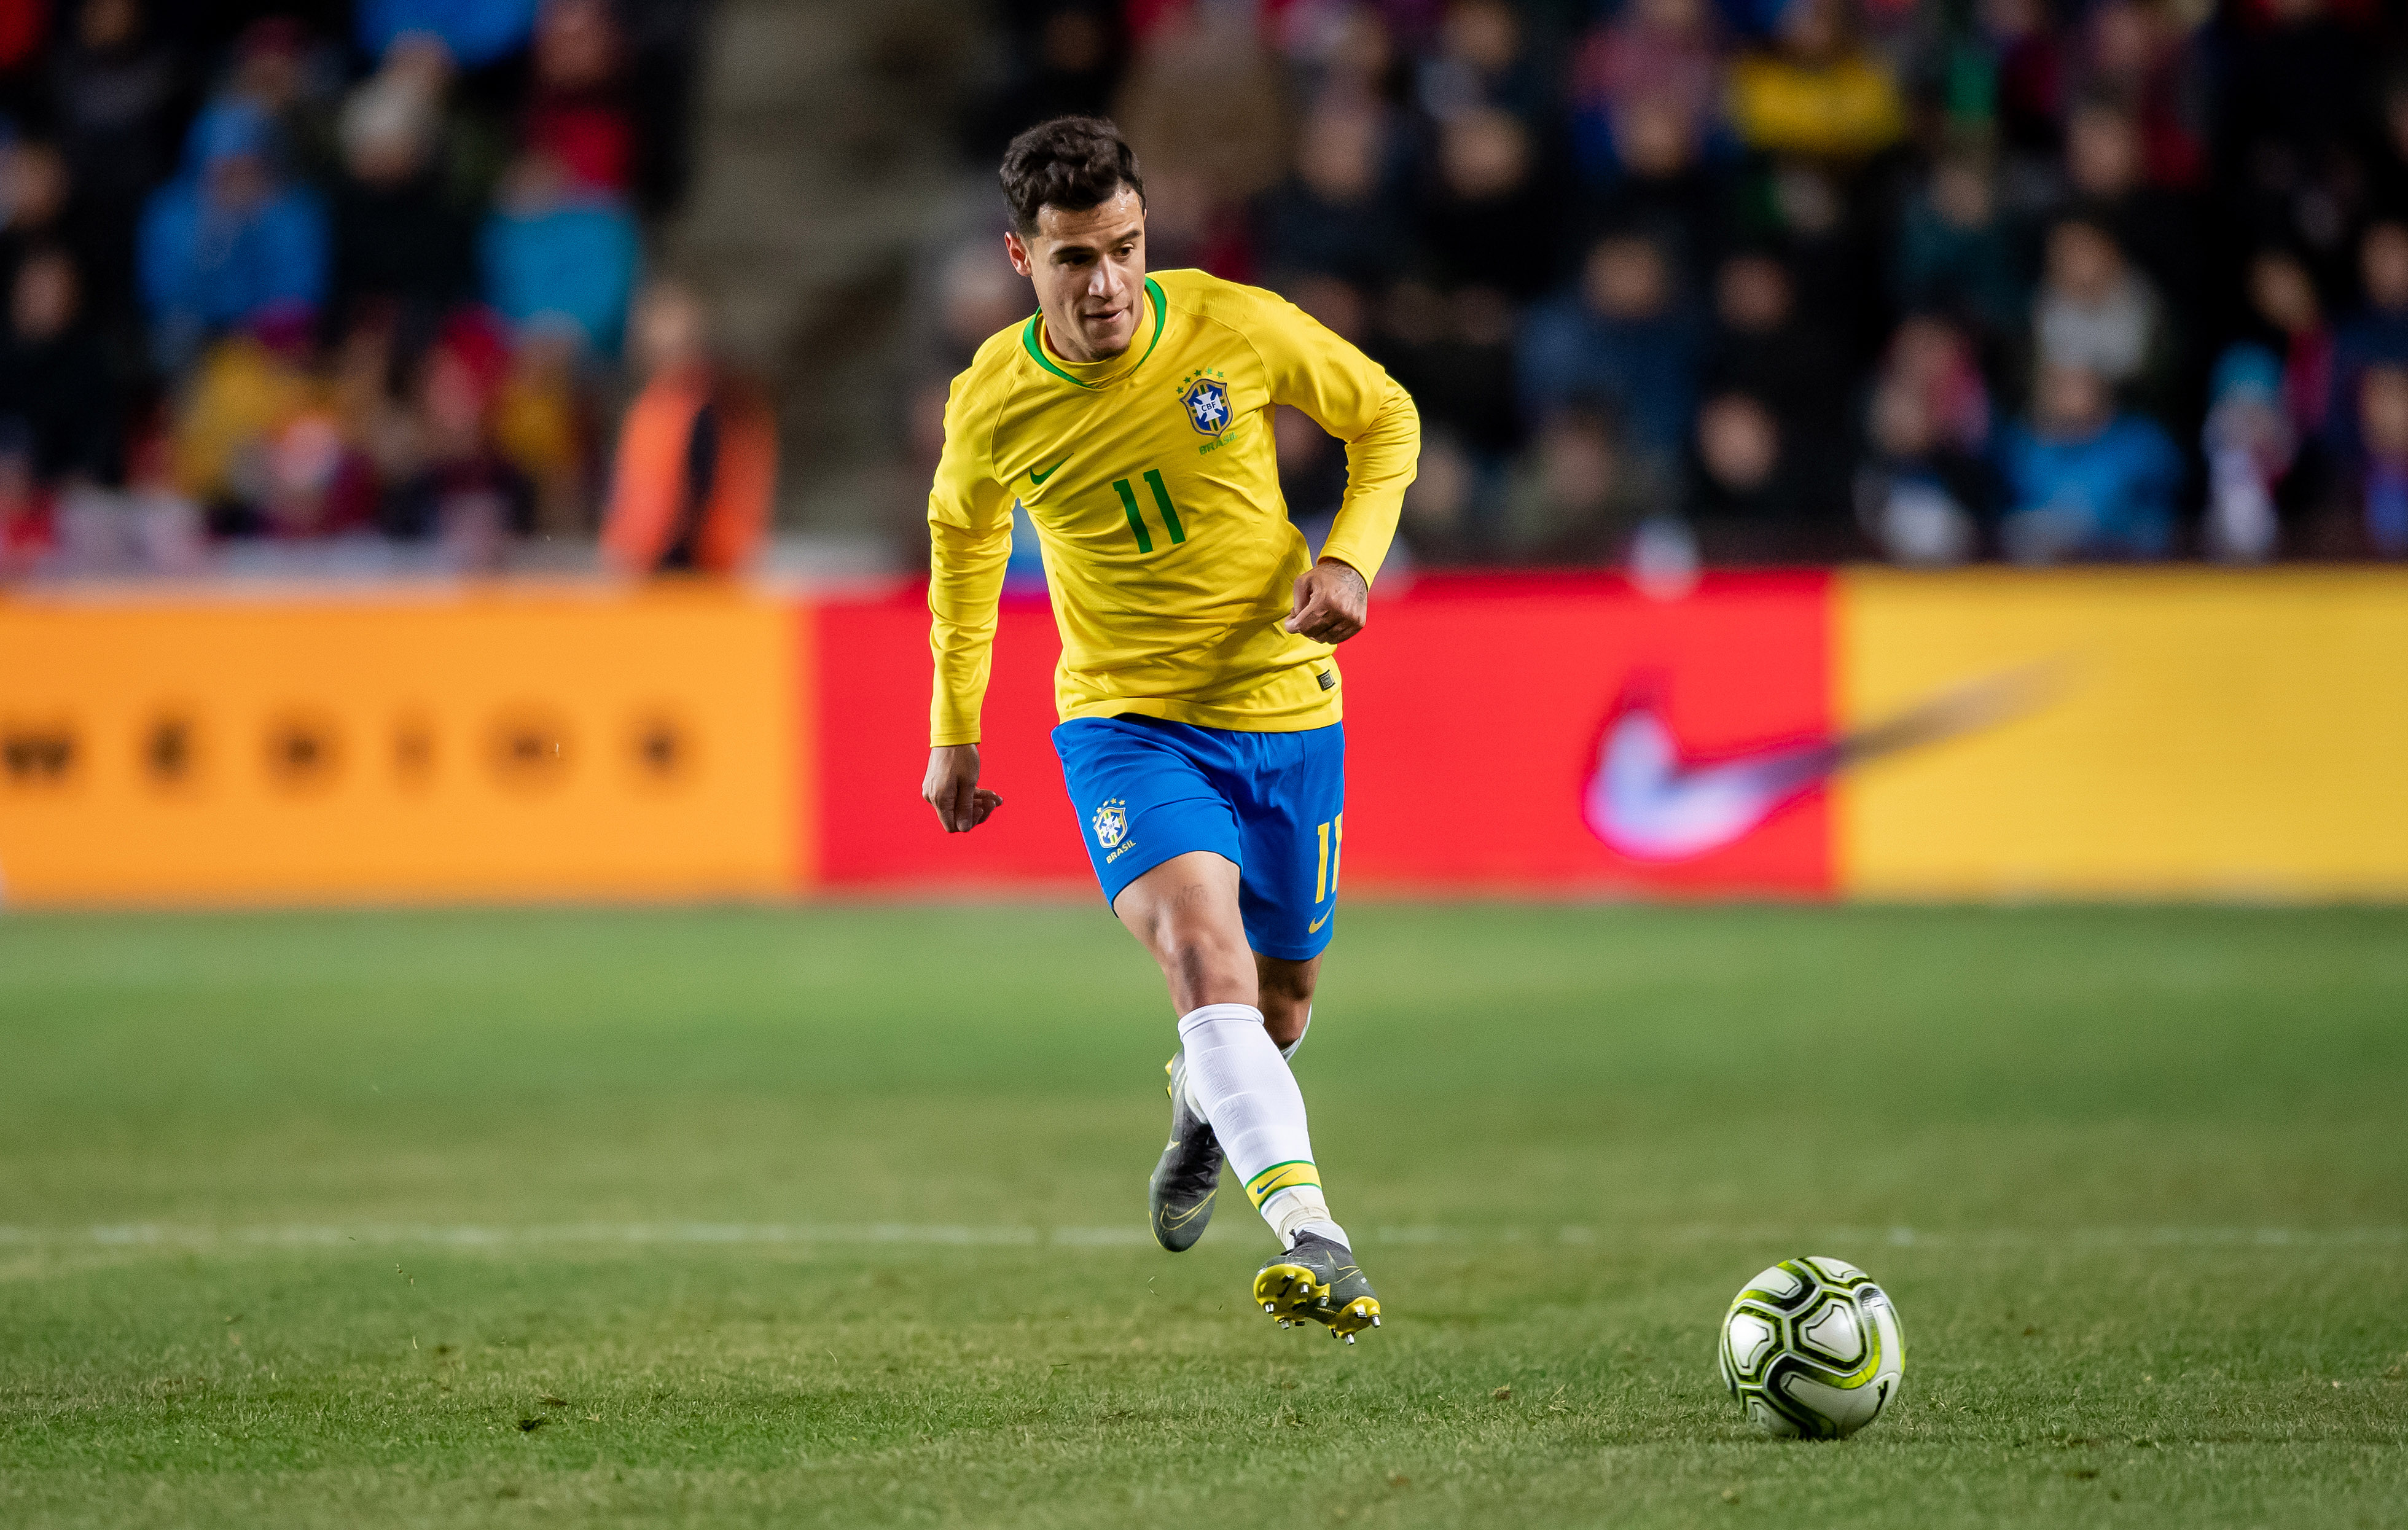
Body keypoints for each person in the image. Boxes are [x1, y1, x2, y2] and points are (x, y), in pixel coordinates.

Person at [918, 117, 1417, 1341]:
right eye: (1074, 260)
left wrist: (1352, 560)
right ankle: (1317, 1238)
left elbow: (1385, 418)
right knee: (1207, 961)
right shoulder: (992, 404)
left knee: (1283, 1002)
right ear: (1019, 257)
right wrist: (957, 728)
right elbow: (964, 550)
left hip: (1286, 703)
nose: (1106, 286)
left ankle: (1204, 1099)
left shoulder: (1231, 326)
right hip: (1127, 726)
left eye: (1124, 250)